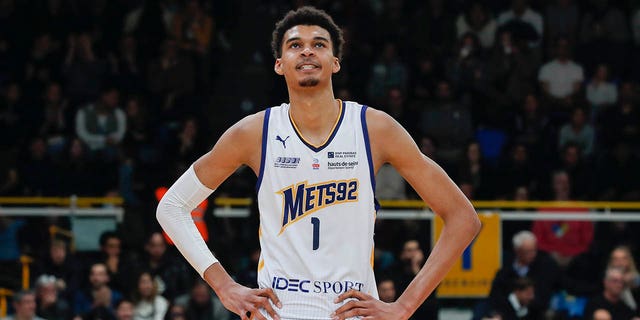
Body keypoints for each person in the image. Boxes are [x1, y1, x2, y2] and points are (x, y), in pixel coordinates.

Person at [156, 6, 480, 320]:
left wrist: (404, 307)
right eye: (295, 45)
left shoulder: (374, 128)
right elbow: (172, 207)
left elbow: (463, 218)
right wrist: (224, 286)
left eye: (319, 45)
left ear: (335, 62)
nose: (307, 51)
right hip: (278, 312)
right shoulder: (254, 132)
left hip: (351, 313)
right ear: (280, 64)